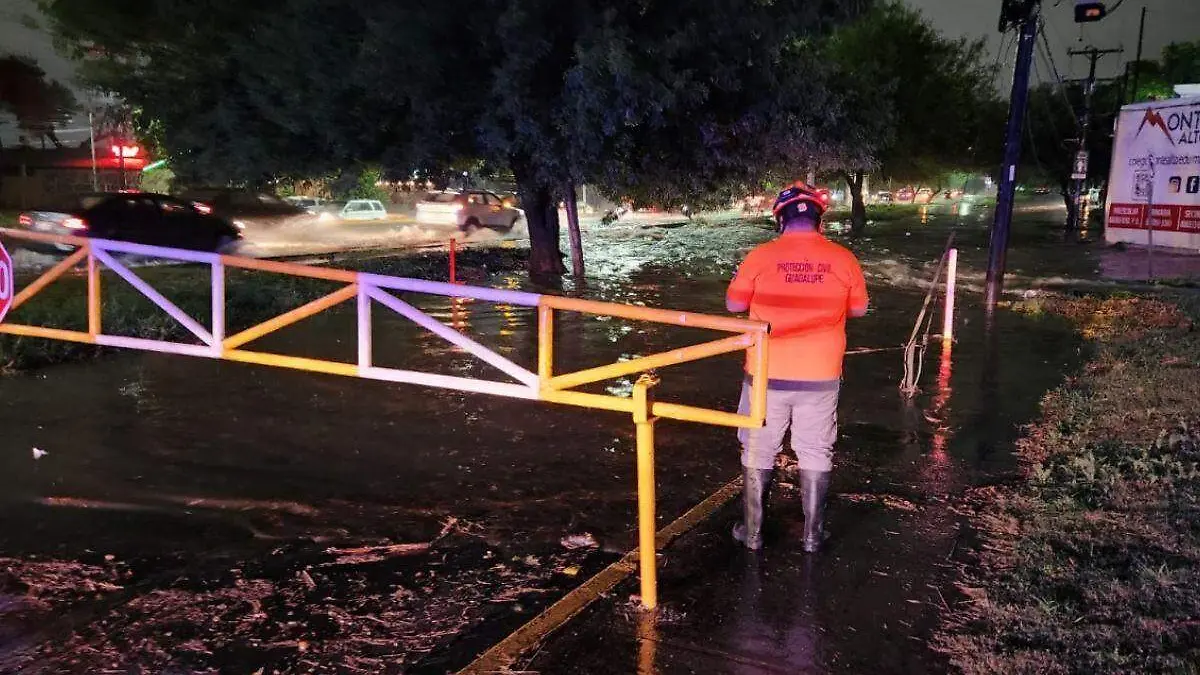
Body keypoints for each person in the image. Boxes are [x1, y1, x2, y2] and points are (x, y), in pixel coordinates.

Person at [725, 182, 869, 552]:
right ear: (820, 220)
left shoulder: (759, 256)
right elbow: (858, 309)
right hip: (821, 373)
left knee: (758, 447)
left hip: (766, 372)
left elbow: (734, 306)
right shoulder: (844, 259)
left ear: (780, 220)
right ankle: (812, 536)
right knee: (816, 449)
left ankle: (753, 533)